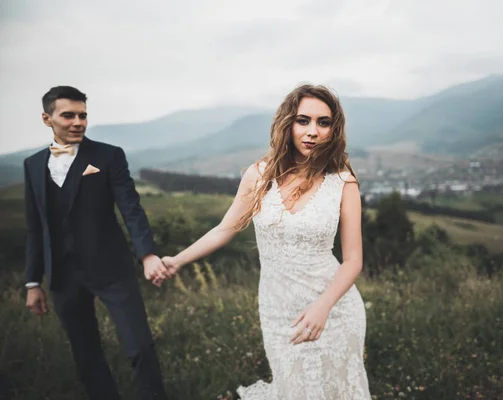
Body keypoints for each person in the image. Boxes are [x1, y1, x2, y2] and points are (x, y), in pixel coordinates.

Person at [160, 84, 371, 399]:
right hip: (277, 309)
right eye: (303, 120)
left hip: (335, 309)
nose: (313, 131)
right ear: (288, 123)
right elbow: (225, 229)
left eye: (323, 122)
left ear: (333, 129)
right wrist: (176, 260)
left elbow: (353, 259)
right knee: (294, 390)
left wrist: (323, 307)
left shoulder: (343, 183)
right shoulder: (259, 176)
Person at [23, 86, 172, 400]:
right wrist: (32, 281)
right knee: (86, 356)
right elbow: (35, 227)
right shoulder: (32, 165)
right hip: (62, 276)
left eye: (83, 115)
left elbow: (130, 208)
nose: (78, 122)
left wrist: (147, 255)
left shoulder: (108, 155)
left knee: (140, 348)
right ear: (46, 119)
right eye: (68, 115)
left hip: (111, 269)